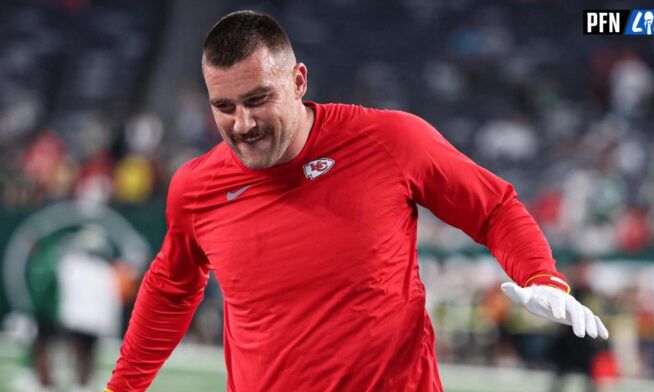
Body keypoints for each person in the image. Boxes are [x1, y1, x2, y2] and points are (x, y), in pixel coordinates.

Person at [106, 10, 609, 392]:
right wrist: (122, 388)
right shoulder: (196, 188)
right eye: (224, 107)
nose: (243, 124)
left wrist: (540, 274)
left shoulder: (390, 140)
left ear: (298, 82)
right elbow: (172, 287)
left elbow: (493, 207)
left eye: (258, 99)